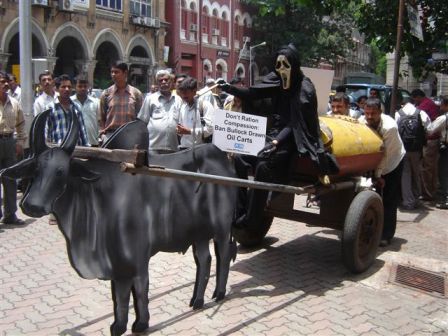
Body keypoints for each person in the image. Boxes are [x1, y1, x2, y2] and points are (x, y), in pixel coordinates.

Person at [219, 43, 338, 229]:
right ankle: (239, 209)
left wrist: (276, 141)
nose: (282, 69)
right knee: (240, 158)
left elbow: (296, 123)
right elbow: (253, 93)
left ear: (294, 65)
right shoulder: (275, 80)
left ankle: (252, 217)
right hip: (272, 135)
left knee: (264, 164)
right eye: (279, 65)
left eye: (286, 65)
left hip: (294, 140)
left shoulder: (305, 88)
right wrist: (229, 88)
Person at [359, 98, 405, 247]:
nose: (370, 116)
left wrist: (379, 176)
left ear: (380, 112)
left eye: (373, 113)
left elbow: (385, 155)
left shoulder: (390, 127)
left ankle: (386, 235)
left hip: (392, 162)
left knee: (389, 200)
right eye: (367, 113)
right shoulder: (361, 121)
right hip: (375, 161)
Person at [0, 71, 27, 225]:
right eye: (2, 82)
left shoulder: (14, 103)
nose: (5, 84)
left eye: (6, 82)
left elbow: (21, 124)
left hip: (9, 142)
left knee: (10, 179)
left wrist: (20, 143)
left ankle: (10, 215)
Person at [395, 97, 431, 210]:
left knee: (405, 175)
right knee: (417, 173)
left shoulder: (398, 114)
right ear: (414, 103)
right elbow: (429, 128)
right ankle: (417, 198)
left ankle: (408, 202)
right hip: (416, 149)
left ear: (402, 104)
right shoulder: (421, 113)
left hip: (403, 149)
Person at [138, 69, 182, 154]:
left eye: (166, 79)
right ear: (157, 83)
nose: (164, 82)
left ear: (171, 81)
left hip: (174, 147)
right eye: (160, 80)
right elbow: (143, 122)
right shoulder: (150, 99)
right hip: (153, 147)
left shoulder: (178, 100)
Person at [99, 61, 143, 141]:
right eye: (112, 72)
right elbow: (102, 116)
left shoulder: (136, 94)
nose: (113, 75)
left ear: (125, 73)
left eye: (116, 72)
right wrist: (102, 134)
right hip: (110, 136)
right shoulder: (106, 94)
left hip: (130, 137)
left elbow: (140, 118)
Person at [411, 89, 440, 201]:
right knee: (431, 167)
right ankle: (431, 190)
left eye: (415, 99)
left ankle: (428, 193)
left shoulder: (424, 106)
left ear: (418, 97)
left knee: (426, 168)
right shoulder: (429, 103)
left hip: (430, 140)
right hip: (432, 140)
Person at [46, 74, 89, 146]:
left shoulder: (76, 107)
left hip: (76, 150)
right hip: (57, 151)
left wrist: (87, 148)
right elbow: (46, 132)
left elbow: (82, 131)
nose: (67, 89)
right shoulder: (50, 108)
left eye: (69, 87)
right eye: (63, 87)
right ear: (57, 89)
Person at [176, 77, 214, 149]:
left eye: (186, 92)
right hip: (184, 149)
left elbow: (210, 129)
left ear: (194, 91)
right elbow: (181, 129)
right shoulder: (183, 107)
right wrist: (179, 131)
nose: (183, 95)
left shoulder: (204, 105)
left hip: (200, 150)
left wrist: (190, 131)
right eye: (182, 93)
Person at [427, 96, 448, 209]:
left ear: (446, 105)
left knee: (444, 174)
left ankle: (445, 199)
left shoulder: (444, 118)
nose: (440, 107)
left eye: (442, 105)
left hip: (446, 149)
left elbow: (430, 129)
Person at [71, 76, 100, 146]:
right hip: (74, 144)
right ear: (75, 87)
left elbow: (100, 122)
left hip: (92, 142)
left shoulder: (96, 102)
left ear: (88, 87)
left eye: (85, 86)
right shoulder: (70, 102)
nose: (83, 88)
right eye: (80, 86)